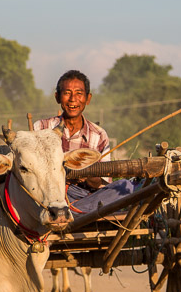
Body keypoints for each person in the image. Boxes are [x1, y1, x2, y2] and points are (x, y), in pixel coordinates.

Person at [33, 70, 136, 212]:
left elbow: (102, 183)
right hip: (48, 195)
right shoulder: (41, 128)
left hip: (84, 197)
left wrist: (86, 174)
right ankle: (72, 213)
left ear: (88, 98)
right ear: (57, 97)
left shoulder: (99, 135)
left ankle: (71, 212)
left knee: (126, 187)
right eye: (67, 93)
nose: (73, 99)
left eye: (79, 93)